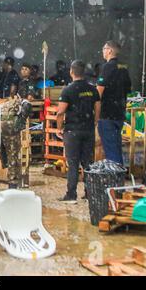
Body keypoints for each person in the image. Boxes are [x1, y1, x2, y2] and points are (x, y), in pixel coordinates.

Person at [56, 60, 101, 203]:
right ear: (84, 73)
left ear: (71, 72)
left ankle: (71, 194)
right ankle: (89, 192)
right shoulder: (92, 89)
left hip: (72, 131)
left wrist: (58, 128)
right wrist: (95, 121)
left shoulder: (68, 90)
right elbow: (98, 106)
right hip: (88, 130)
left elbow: (60, 112)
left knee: (73, 163)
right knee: (88, 162)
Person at [0, 93, 32, 192]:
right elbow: (27, 106)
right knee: (13, 156)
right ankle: (12, 186)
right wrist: (21, 121)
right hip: (8, 126)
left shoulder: (3, 105)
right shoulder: (23, 103)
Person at [97, 41, 132, 165]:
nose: (103, 51)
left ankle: (115, 178)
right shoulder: (123, 66)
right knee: (116, 147)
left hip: (107, 114)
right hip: (119, 113)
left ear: (110, 51)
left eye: (104, 48)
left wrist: (94, 110)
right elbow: (128, 88)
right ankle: (119, 174)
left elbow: (99, 90)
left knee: (111, 150)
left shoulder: (107, 67)